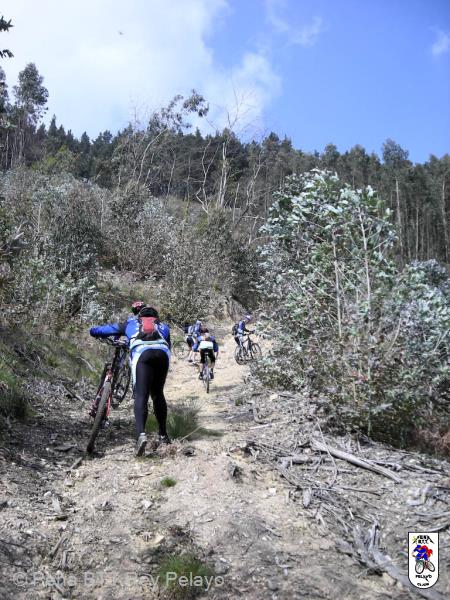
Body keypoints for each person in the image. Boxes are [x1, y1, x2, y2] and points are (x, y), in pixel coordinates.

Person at [90, 305, 171, 456]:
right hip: (162, 355)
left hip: (142, 354)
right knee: (158, 394)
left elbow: (105, 330)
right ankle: (163, 435)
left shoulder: (131, 323)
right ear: (156, 317)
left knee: (141, 395)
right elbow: (169, 346)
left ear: (140, 316)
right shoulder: (164, 327)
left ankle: (141, 435)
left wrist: (93, 331)